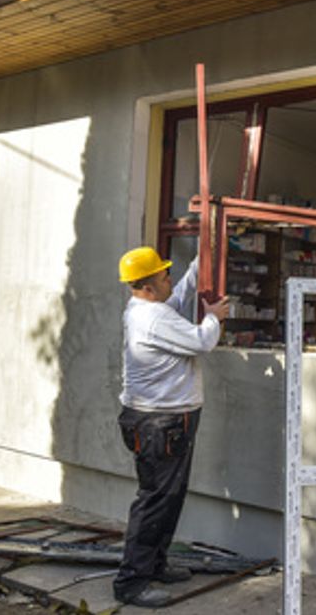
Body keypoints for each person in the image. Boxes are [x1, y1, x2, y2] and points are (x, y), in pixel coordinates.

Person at [113, 246, 230, 608]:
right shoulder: (152, 319)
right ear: (147, 287)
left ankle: (155, 564)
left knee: (168, 498)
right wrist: (214, 316)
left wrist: (204, 254)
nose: (170, 279)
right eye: (164, 276)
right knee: (155, 502)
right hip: (160, 424)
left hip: (161, 422)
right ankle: (131, 583)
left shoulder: (146, 309)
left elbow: (178, 296)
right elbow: (203, 341)